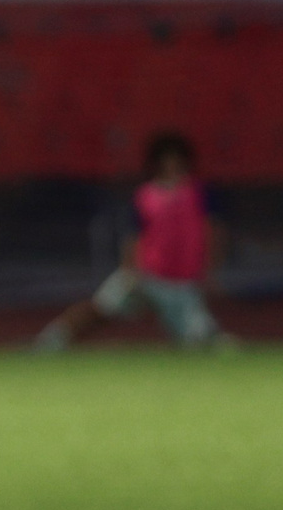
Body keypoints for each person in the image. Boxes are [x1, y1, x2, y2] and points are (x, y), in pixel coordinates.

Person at [35, 131, 228, 350]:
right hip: (144, 274)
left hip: (179, 281)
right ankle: (51, 340)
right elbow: (134, 236)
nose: (171, 165)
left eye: (176, 159)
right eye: (166, 159)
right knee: (99, 308)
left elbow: (213, 232)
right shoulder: (145, 195)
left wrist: (210, 269)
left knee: (199, 338)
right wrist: (129, 269)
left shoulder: (200, 193)